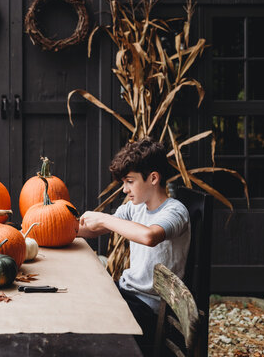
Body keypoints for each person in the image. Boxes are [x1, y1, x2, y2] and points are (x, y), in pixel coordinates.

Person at [78, 137, 190, 354]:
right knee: (82, 304)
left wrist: (103, 219)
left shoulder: (175, 211)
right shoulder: (135, 207)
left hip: (151, 309)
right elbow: (94, 230)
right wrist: (52, 225)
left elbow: (150, 236)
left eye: (130, 181)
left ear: (153, 178)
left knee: (93, 325)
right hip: (127, 292)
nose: (124, 189)